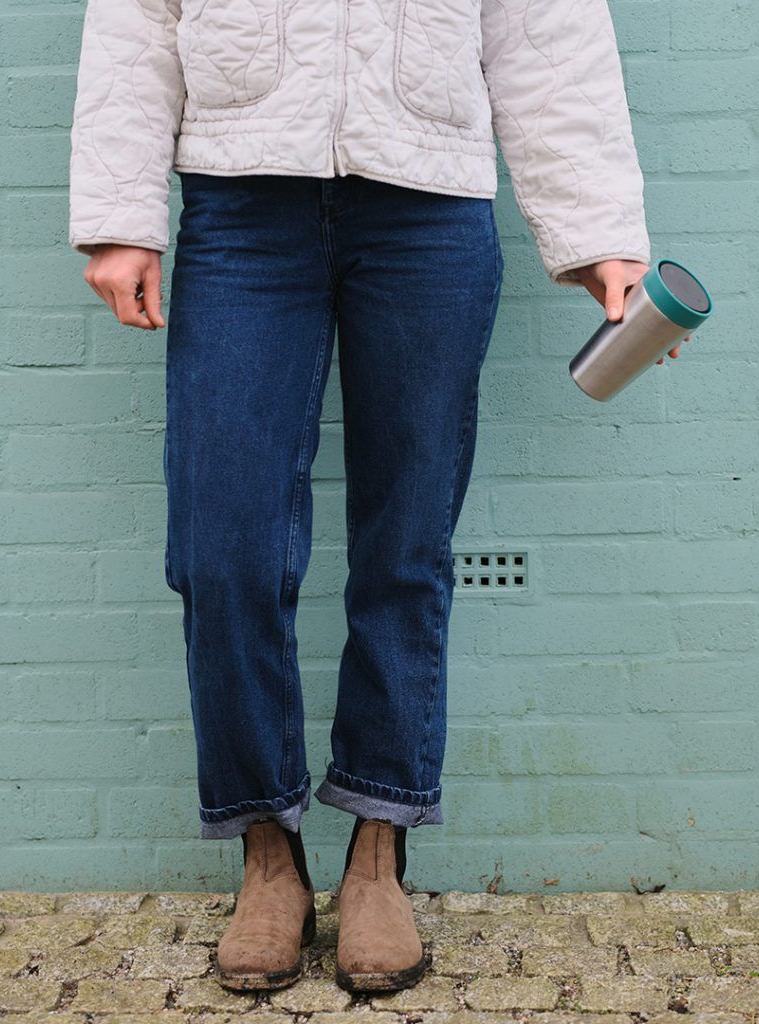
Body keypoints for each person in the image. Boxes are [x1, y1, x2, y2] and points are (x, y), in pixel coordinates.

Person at [68, 0, 683, 995]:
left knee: (405, 548)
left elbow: (548, 33)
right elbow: (136, 22)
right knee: (224, 548)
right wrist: (118, 217)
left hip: (428, 212)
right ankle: (266, 850)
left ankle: (379, 846)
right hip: (242, 208)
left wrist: (599, 229)